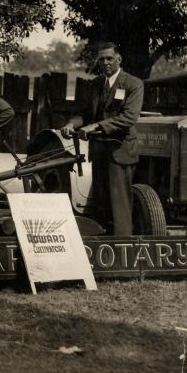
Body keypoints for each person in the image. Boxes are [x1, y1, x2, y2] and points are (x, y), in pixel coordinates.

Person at [61, 42, 143, 236]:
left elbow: (129, 117)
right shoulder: (96, 84)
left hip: (120, 151)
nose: (105, 63)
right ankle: (102, 249)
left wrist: (96, 126)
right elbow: (86, 113)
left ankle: (123, 249)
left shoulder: (133, 84)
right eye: (101, 59)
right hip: (99, 152)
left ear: (119, 59)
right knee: (100, 205)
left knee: (119, 208)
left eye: (109, 58)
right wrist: (72, 124)